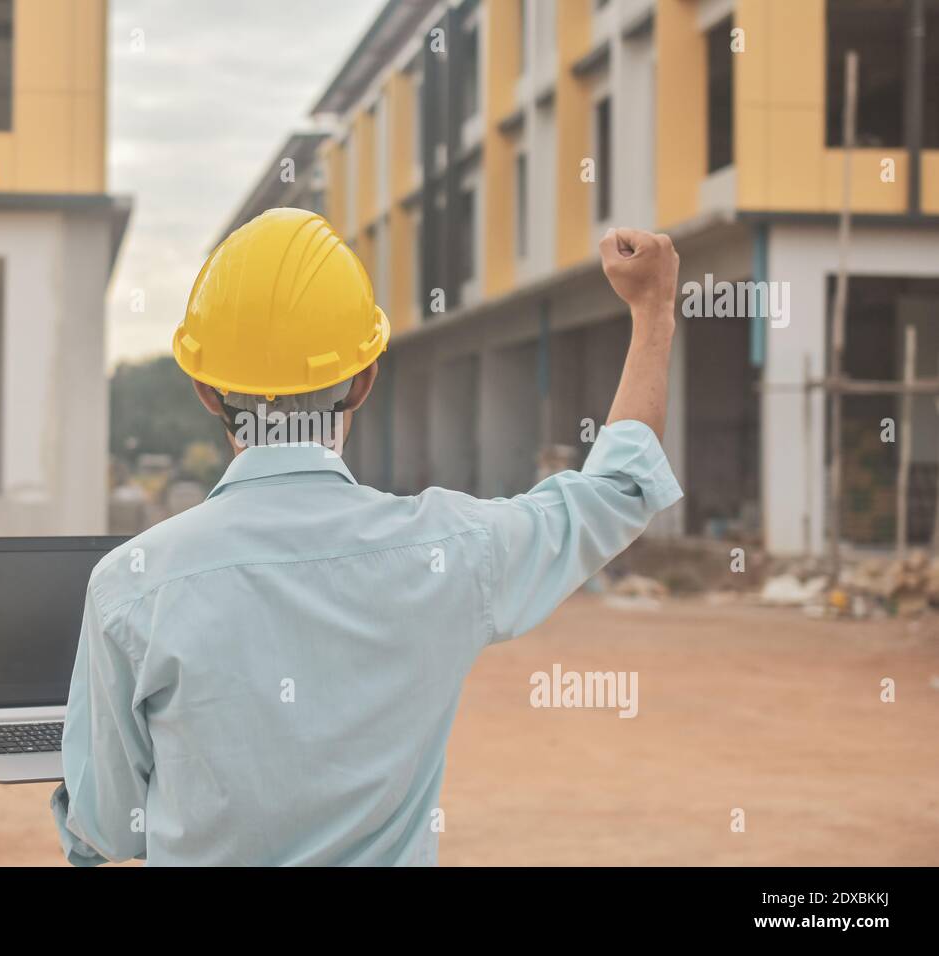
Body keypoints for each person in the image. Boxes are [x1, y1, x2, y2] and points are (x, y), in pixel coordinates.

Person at [51, 208, 683, 866]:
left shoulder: (133, 584)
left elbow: (105, 830)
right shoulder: (452, 550)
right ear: (363, 380)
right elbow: (618, 492)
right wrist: (652, 312)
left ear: (206, 391)